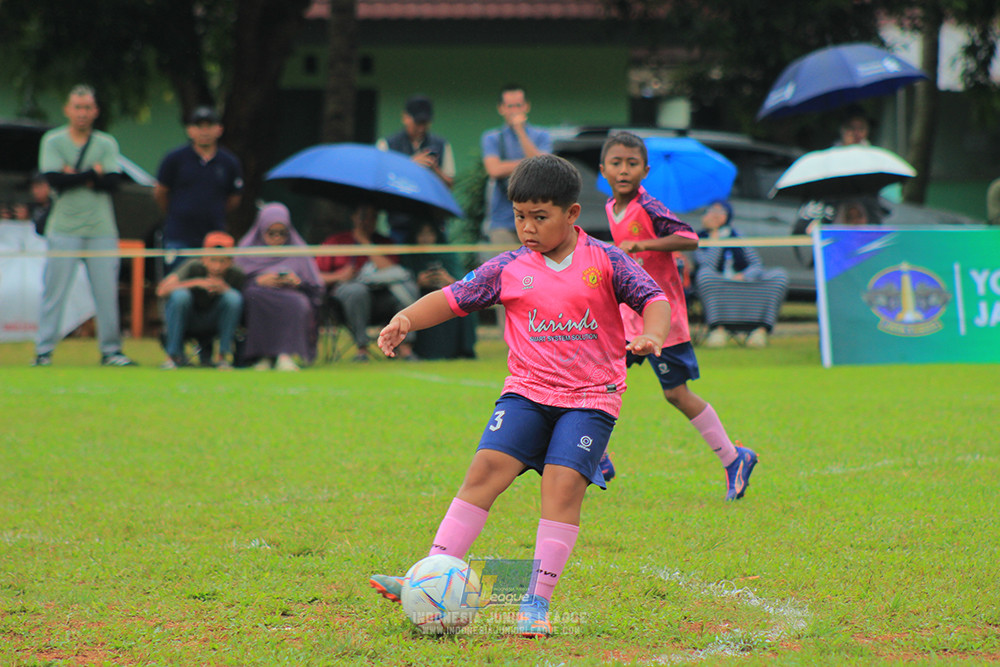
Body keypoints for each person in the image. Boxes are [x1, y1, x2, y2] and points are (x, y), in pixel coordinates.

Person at [368, 154, 672, 637]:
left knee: (562, 485)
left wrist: (652, 335)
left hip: (590, 399)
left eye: (540, 216)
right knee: (484, 472)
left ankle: (535, 601)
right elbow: (451, 298)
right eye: (519, 216)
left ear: (572, 214)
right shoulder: (508, 267)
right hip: (527, 394)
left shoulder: (607, 261)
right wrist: (405, 317)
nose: (527, 228)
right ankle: (427, 575)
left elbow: (655, 299)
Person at [598, 131, 757, 500]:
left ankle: (735, 459)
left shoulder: (649, 206)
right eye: (617, 163)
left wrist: (645, 243)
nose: (624, 170)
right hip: (628, 315)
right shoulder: (611, 207)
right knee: (601, 378)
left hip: (661, 316)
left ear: (645, 169)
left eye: (632, 163)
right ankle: (598, 457)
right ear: (603, 168)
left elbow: (689, 238)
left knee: (676, 394)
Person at [33, 84, 136, 367]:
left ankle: (111, 351)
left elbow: (113, 183)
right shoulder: (53, 141)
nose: (82, 113)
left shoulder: (106, 143)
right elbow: (54, 179)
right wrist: (92, 173)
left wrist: (75, 174)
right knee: (54, 291)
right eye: (77, 107)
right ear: (68, 110)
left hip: (101, 229)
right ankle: (43, 352)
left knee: (106, 293)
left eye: (87, 108)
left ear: (95, 112)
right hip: (63, 229)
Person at [316, 204, 419, 362]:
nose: (367, 221)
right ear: (353, 217)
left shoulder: (384, 242)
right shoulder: (336, 241)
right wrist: (339, 276)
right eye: (363, 216)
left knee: (406, 289)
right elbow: (316, 276)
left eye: (373, 217)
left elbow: (392, 270)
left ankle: (406, 349)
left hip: (380, 298)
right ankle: (361, 349)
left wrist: (364, 242)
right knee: (357, 291)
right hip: (346, 302)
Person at [154, 106, 243, 272]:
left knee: (212, 285)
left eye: (209, 126)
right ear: (189, 130)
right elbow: (160, 192)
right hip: (179, 234)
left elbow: (234, 199)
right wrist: (177, 211)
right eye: (198, 126)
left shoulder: (229, 162)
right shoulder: (174, 158)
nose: (204, 131)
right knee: (177, 285)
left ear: (219, 129)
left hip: (214, 235)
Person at [236, 203, 323, 371]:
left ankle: (286, 354)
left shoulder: (298, 249)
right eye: (271, 233)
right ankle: (262, 356)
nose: (277, 238)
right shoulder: (247, 248)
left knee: (298, 303)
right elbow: (236, 279)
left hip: (291, 294)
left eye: (282, 233)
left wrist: (297, 282)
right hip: (258, 293)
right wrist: (258, 280)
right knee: (254, 298)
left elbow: (315, 285)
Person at [693, 201, 790, 349]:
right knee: (704, 276)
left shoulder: (738, 236)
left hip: (743, 282)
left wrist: (744, 275)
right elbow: (706, 265)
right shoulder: (699, 238)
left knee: (779, 275)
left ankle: (760, 331)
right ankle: (718, 329)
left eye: (719, 212)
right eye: (711, 212)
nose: (714, 216)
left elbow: (757, 265)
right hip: (719, 282)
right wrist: (716, 241)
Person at [155, 231, 245, 370]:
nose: (217, 267)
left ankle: (223, 356)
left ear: (231, 261)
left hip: (214, 321)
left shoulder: (237, 274)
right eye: (213, 260)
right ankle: (173, 356)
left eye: (223, 261)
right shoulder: (192, 266)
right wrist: (195, 283)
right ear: (203, 258)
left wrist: (225, 289)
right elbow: (161, 290)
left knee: (233, 297)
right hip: (188, 319)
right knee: (180, 296)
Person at [376, 95, 456, 243]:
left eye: (425, 123)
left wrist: (435, 170)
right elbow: (381, 183)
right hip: (400, 223)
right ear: (405, 118)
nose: (421, 128)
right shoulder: (387, 144)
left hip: (433, 224)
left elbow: (450, 185)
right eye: (417, 122)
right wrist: (409, 164)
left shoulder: (441, 144)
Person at [481, 84, 552, 247]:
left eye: (518, 106)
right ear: (501, 108)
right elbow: (494, 169)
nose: (514, 111)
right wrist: (529, 163)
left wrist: (520, 130)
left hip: (538, 217)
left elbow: (543, 167)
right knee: (504, 270)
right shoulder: (492, 137)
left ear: (527, 106)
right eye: (510, 106)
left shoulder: (542, 135)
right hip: (502, 220)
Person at [399, 221, 477, 359]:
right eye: (421, 234)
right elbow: (404, 280)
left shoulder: (447, 254)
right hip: (419, 296)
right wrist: (419, 281)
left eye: (429, 234)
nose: (426, 238)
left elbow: (463, 282)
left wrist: (448, 280)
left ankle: (463, 349)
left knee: (463, 303)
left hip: (446, 294)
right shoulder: (408, 254)